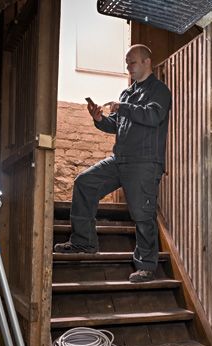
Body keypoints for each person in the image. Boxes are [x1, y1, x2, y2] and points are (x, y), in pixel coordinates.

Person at [54, 44, 171, 283]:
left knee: (142, 214)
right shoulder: (127, 93)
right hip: (120, 159)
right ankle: (83, 242)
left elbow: (153, 116)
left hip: (144, 162)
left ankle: (147, 266)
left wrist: (124, 108)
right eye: (127, 63)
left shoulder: (159, 90)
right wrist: (99, 119)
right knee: (85, 183)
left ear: (147, 62)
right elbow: (116, 124)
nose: (128, 67)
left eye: (132, 62)